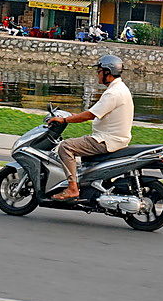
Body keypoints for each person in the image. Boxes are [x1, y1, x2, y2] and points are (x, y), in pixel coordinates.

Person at [48, 55, 134, 200]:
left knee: (66, 147)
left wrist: (64, 120)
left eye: (99, 71)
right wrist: (72, 115)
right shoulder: (120, 88)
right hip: (115, 139)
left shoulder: (113, 93)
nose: (97, 74)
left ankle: (72, 188)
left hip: (106, 140)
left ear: (107, 72)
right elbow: (95, 113)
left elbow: (89, 115)